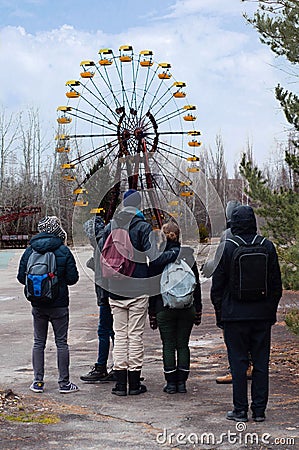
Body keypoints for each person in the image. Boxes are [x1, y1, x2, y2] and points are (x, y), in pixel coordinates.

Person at [99, 189, 177, 396]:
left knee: (119, 335)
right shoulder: (142, 227)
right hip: (137, 289)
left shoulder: (110, 226)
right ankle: (134, 383)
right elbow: (155, 257)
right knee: (135, 335)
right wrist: (173, 253)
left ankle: (119, 383)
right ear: (139, 205)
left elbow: (101, 255)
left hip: (114, 290)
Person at [211, 205, 282, 422]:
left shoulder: (227, 247)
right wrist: (269, 311)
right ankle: (259, 411)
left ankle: (240, 410)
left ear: (233, 223)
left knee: (238, 365)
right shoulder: (267, 246)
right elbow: (276, 285)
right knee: (261, 364)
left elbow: (217, 287)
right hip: (261, 316)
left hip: (234, 316)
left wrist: (221, 314)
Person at [17, 216, 80, 394]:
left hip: (37, 303)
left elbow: (21, 277)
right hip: (59, 304)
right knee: (61, 343)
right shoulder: (63, 250)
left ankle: (38, 382)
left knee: (38, 342)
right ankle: (64, 383)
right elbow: (73, 278)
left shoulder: (30, 250)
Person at [201, 200, 253, 384]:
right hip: (253, 294)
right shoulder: (255, 235)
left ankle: (235, 369)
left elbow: (219, 263)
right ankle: (250, 365)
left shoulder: (227, 235)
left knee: (233, 339)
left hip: (232, 296)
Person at [148, 221, 202, 394]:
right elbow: (197, 285)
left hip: (164, 307)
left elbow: (152, 288)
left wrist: (152, 312)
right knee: (183, 344)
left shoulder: (157, 259)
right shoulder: (188, 256)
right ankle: (182, 383)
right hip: (187, 307)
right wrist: (198, 309)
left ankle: (171, 383)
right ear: (179, 236)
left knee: (168, 344)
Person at [80, 216, 116, 383]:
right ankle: (120, 366)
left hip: (107, 295)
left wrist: (103, 299)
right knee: (116, 332)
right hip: (114, 293)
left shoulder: (100, 244)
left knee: (105, 331)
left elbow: (103, 275)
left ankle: (103, 367)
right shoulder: (109, 239)